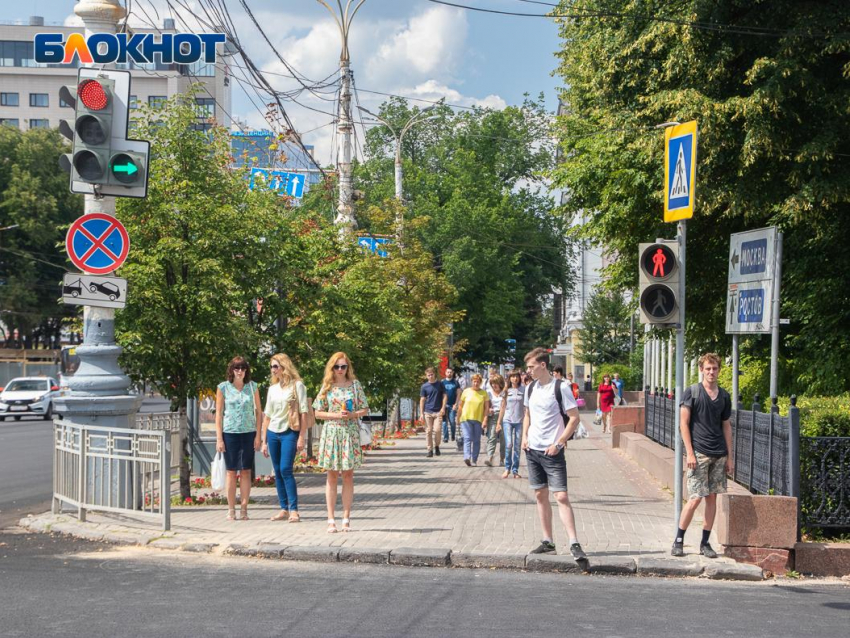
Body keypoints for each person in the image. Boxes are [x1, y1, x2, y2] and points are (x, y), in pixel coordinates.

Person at [521, 347, 587, 560]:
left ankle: (574, 542)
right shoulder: (530, 389)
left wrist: (559, 443)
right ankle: (548, 541)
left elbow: (574, 418)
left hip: (552, 451)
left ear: (542, 365)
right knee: (540, 494)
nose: (528, 371)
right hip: (533, 449)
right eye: (527, 367)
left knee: (561, 495)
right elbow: (527, 415)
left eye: (531, 367)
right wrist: (524, 438)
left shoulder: (561, 387)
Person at [672, 353, 733, 559]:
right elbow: (683, 423)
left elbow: (726, 425)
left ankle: (705, 543)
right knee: (695, 498)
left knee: (712, 498)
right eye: (707, 368)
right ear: (701, 370)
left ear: (719, 370)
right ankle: (678, 540)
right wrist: (689, 452)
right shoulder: (693, 393)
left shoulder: (724, 396)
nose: (711, 372)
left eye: (714, 368)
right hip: (699, 452)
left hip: (719, 453)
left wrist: (730, 457)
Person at [313, 352, 369, 533]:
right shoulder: (327, 386)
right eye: (336, 366)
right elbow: (318, 412)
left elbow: (365, 408)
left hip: (349, 433)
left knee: (348, 475)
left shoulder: (355, 385)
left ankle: (346, 517)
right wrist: (336, 415)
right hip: (332, 432)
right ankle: (330, 519)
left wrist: (353, 414)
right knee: (331, 476)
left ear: (348, 368)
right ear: (331, 368)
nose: (339, 370)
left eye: (343, 366)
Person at [261, 353, 308, 523]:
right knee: (278, 471)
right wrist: (263, 441)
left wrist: (302, 437)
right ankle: (283, 509)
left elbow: (303, 413)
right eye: (271, 367)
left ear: (284, 366)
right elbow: (267, 416)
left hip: (289, 431)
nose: (272, 370)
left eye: (275, 366)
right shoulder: (272, 389)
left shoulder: (298, 386)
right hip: (273, 432)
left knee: (286, 469)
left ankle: (294, 509)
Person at [215, 356, 262, 521]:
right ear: (231, 370)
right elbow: (219, 414)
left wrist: (258, 435)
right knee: (231, 472)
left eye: (243, 368)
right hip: (230, 433)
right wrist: (219, 438)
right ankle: (231, 509)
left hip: (248, 432)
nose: (240, 371)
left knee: (246, 470)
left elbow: (258, 412)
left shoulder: (252, 387)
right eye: (237, 368)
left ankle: (244, 508)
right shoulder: (223, 388)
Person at [457, 373, 489, 466]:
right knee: (467, 438)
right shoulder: (466, 391)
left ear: (480, 383)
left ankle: (474, 459)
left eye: (478, 382)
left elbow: (486, 408)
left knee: (476, 440)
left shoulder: (484, 393)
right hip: (466, 418)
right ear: (471, 382)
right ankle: (467, 457)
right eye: (474, 381)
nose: (476, 383)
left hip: (478, 419)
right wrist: (458, 417)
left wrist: (485, 419)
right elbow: (460, 406)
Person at [500, 371, 524, 478]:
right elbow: (502, 407)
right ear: (509, 379)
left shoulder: (523, 389)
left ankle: (515, 470)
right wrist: (498, 423)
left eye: (516, 377)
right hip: (507, 420)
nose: (514, 379)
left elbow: (527, 406)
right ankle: (507, 468)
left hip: (519, 421)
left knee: (517, 446)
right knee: (509, 444)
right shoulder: (506, 391)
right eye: (512, 377)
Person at [419, 367, 446, 458]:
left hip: (438, 411)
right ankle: (429, 450)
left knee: (437, 430)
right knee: (428, 431)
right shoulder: (424, 386)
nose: (430, 376)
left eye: (432, 374)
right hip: (428, 411)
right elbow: (422, 399)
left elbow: (445, 396)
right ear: (426, 376)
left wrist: (443, 408)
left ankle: (437, 445)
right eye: (428, 375)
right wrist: (421, 413)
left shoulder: (440, 384)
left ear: (434, 374)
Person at [484, 374, 506, 467]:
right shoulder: (488, 393)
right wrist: (488, 410)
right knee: (491, 437)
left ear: (500, 383)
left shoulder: (504, 393)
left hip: (504, 417)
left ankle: (502, 459)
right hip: (492, 416)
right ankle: (490, 457)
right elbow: (486, 406)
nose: (494, 385)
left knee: (503, 439)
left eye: (496, 383)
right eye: (492, 383)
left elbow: (505, 406)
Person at [441, 368, 461, 445]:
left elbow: (459, 393)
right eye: (448, 372)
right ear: (445, 373)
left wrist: (456, 404)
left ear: (452, 373)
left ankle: (453, 435)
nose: (449, 373)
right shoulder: (442, 382)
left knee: (452, 421)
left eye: (450, 372)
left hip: (452, 405)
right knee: (444, 422)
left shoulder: (455, 382)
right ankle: (445, 437)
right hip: (444, 405)